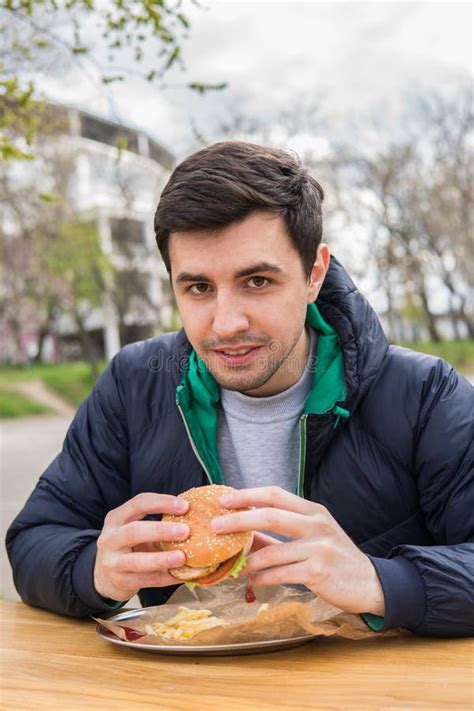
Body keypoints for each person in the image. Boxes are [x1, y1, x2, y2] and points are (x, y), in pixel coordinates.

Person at [6, 141, 473, 636]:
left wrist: (380, 580)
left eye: (256, 281)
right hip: (186, 690)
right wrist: (94, 572)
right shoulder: (134, 384)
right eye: (199, 288)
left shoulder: (426, 395)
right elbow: (35, 540)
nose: (226, 324)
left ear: (314, 273)